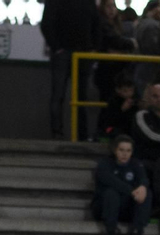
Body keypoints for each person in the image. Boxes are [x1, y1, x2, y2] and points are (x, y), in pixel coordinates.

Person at [40, 0, 102, 138]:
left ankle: (62, 133)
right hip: (78, 52)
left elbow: (47, 24)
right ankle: (78, 134)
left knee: (66, 95)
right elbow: (97, 24)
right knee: (73, 95)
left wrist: (57, 47)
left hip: (73, 53)